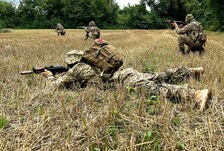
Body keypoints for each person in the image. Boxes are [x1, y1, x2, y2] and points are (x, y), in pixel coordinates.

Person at [41, 40, 211, 112]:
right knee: (159, 76)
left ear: (70, 62)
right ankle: (191, 71)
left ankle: (195, 94)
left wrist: (50, 76)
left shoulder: (75, 70)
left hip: (123, 81)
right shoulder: (90, 63)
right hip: (126, 73)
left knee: (156, 90)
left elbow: (55, 86)